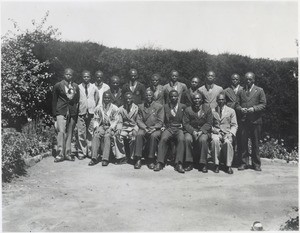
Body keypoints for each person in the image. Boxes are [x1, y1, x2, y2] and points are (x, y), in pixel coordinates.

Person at [236, 72, 266, 171]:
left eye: (250, 79)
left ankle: (256, 164)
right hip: (244, 121)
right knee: (243, 143)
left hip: (255, 121)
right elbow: (237, 104)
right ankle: (244, 163)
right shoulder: (241, 91)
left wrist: (254, 108)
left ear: (254, 79)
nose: (248, 81)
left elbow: (263, 104)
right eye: (246, 79)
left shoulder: (259, 90)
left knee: (255, 143)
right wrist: (240, 109)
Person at [154, 90, 186, 173]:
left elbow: (185, 120)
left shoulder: (183, 106)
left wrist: (183, 126)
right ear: (169, 98)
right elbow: (162, 118)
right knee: (163, 138)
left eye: (175, 96)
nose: (173, 98)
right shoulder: (165, 107)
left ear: (178, 97)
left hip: (179, 128)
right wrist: (163, 126)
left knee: (181, 139)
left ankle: (179, 163)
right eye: (171, 96)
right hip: (169, 128)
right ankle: (160, 162)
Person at [52, 68, 79, 162]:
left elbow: (77, 100)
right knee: (61, 132)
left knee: (70, 132)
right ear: (64, 75)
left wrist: (75, 112)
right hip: (61, 111)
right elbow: (54, 100)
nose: (68, 76)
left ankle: (68, 153)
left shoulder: (75, 86)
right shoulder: (58, 85)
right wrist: (54, 114)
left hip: (72, 112)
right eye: (67, 74)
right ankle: (60, 153)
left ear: (73, 76)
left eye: (70, 74)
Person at [134, 90, 164, 169]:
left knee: (153, 136)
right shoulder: (141, 106)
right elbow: (139, 120)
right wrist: (145, 128)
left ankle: (151, 160)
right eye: (146, 95)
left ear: (153, 97)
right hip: (145, 127)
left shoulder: (159, 106)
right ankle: (138, 159)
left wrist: (154, 128)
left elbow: (161, 122)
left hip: (155, 129)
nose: (148, 97)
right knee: (139, 134)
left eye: (150, 95)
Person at [89, 92, 121, 166]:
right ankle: (94, 158)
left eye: (108, 98)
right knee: (96, 135)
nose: (107, 99)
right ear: (103, 98)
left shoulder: (114, 108)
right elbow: (96, 118)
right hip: (102, 125)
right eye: (105, 98)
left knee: (107, 136)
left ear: (110, 99)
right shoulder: (99, 107)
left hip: (110, 126)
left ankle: (105, 159)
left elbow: (116, 120)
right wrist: (96, 127)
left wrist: (111, 128)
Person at [183, 93, 213, 173]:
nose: (197, 100)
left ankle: (203, 163)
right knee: (187, 139)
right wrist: (193, 131)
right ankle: (189, 162)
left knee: (203, 140)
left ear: (202, 100)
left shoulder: (207, 108)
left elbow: (209, 122)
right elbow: (185, 123)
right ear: (192, 100)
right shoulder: (188, 109)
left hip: (203, 131)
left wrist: (201, 131)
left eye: (198, 99)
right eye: (195, 99)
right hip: (191, 130)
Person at [211, 93, 238, 174]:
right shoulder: (212, 111)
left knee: (227, 142)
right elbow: (209, 124)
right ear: (216, 101)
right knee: (215, 140)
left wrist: (230, 134)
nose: (221, 101)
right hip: (216, 132)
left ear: (225, 100)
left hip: (227, 133)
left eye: (222, 99)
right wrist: (214, 131)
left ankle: (228, 165)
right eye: (219, 100)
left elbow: (234, 125)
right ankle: (216, 164)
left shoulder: (231, 111)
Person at [77, 70, 100, 160]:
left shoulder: (94, 87)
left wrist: (92, 107)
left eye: (88, 77)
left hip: (91, 112)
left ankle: (90, 151)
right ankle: (82, 152)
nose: (86, 78)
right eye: (84, 77)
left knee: (91, 132)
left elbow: (97, 98)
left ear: (90, 77)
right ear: (82, 77)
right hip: (81, 112)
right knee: (81, 132)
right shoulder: (78, 87)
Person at [116, 92, 139, 161]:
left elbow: (138, 121)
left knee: (134, 137)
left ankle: (132, 157)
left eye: (130, 99)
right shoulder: (121, 109)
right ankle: (121, 156)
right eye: (126, 99)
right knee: (117, 136)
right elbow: (120, 121)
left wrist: (135, 129)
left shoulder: (137, 108)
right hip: (124, 128)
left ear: (133, 99)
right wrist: (119, 129)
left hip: (133, 127)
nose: (128, 100)